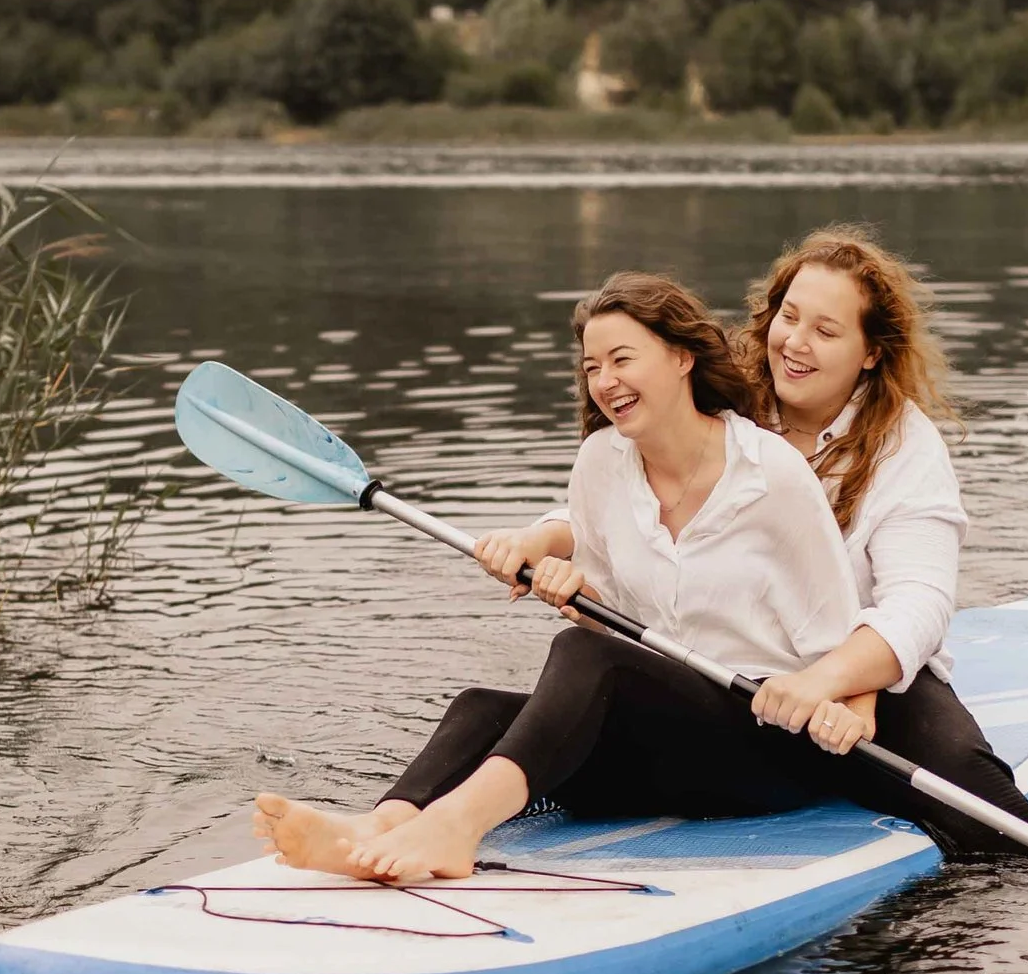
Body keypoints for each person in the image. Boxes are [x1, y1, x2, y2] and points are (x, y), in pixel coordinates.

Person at [253, 270, 874, 885]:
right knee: (482, 709)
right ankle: (380, 826)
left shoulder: (774, 475)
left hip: (766, 755)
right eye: (591, 367)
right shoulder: (602, 461)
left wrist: (849, 707)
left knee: (586, 653)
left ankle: (455, 828)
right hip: (665, 745)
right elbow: (614, 618)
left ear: (683, 357)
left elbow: (840, 640)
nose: (605, 382)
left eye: (621, 359)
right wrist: (576, 597)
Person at [736, 224, 1028, 854]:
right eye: (788, 317)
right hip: (735, 666)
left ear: (871, 351)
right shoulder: (724, 407)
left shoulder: (905, 444)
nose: (795, 343)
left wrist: (844, 685)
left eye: (826, 331)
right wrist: (551, 538)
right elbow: (640, 490)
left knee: (987, 810)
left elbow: (919, 605)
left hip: (866, 678)